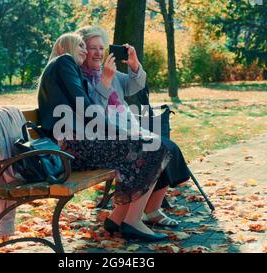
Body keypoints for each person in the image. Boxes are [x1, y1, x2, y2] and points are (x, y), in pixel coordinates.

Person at [37, 32, 172, 242]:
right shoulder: (64, 62)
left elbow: (87, 111)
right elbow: (88, 110)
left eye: (85, 45)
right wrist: (122, 133)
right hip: (69, 150)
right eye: (80, 45)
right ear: (64, 49)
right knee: (152, 146)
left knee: (149, 146)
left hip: (75, 145)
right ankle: (132, 221)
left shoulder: (66, 69)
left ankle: (118, 218)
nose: (84, 50)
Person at [76, 26, 192, 227]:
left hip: (129, 131)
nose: (98, 53)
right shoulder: (81, 79)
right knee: (155, 149)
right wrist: (105, 81)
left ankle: (152, 210)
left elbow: (136, 85)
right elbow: (92, 113)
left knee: (169, 147)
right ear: (82, 51)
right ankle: (132, 216)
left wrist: (135, 66)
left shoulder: (109, 72)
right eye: (92, 48)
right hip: (107, 138)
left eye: (101, 48)